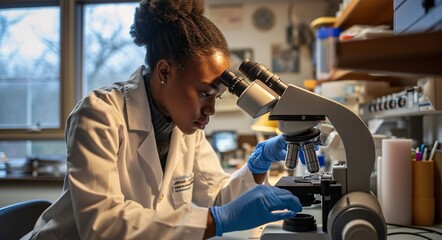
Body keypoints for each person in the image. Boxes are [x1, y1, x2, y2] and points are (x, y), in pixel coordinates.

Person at [23, 0, 302, 239]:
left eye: (215, 96)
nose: (210, 110)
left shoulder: (185, 126)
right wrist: (218, 219)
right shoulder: (99, 114)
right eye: (203, 92)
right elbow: (102, 225)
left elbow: (216, 199)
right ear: (165, 72)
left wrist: (257, 164)